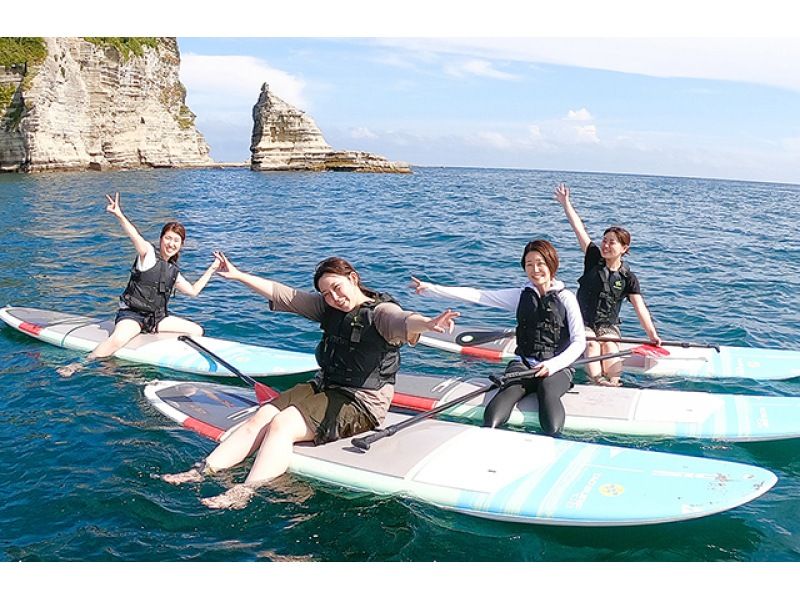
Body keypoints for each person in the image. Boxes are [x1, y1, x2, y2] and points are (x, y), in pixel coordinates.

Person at [162, 253, 460, 510]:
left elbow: (404, 320)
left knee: (282, 425)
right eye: (326, 293)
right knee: (263, 414)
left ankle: (245, 491)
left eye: (337, 288)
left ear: (353, 278)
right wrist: (239, 275)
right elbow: (284, 295)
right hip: (325, 385)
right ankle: (202, 471)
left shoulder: (380, 314)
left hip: (362, 403)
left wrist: (429, 324)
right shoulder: (328, 308)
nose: (334, 298)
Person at [411, 239, 586, 436]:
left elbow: (579, 341)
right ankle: (488, 437)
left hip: (557, 368)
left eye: (540, 263)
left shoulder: (566, 298)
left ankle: (554, 440)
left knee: (548, 392)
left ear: (551, 264)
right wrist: (430, 289)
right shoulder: (520, 296)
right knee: (502, 399)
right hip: (524, 365)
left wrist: (552, 365)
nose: (535, 269)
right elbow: (479, 295)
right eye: (529, 264)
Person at [57, 192, 220, 377]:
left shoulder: (173, 271)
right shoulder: (148, 254)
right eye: (168, 238)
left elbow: (193, 291)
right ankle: (78, 365)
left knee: (196, 331)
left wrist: (213, 269)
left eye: (176, 240)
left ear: (181, 245)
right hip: (133, 315)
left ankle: (154, 348)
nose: (171, 243)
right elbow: (134, 235)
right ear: (161, 239)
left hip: (155, 319)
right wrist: (119, 214)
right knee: (116, 341)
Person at [554, 183, 661, 386]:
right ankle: (596, 381)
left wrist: (652, 335)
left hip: (607, 325)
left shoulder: (628, 277)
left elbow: (640, 309)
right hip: (582, 322)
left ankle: (614, 382)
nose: (605, 245)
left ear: (624, 248)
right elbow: (578, 228)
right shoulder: (593, 257)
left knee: (610, 346)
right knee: (593, 345)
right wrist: (566, 204)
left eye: (611, 242)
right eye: (604, 240)